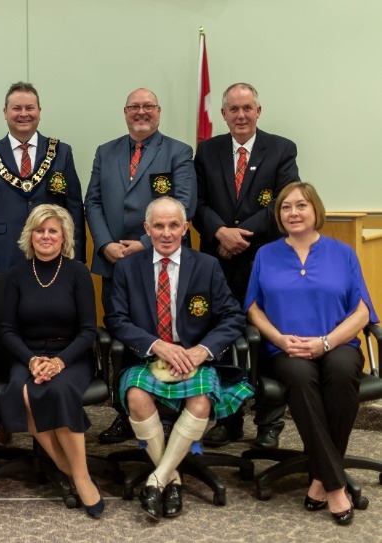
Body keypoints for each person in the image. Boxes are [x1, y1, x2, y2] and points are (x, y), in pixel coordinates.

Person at [106, 197, 252, 523]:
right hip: (148, 357)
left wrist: (201, 351)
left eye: (174, 225)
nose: (167, 233)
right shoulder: (129, 268)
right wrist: (156, 345)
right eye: (158, 225)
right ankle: (171, 480)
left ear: (185, 228)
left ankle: (157, 480)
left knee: (200, 401)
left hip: (194, 358)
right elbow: (116, 319)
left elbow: (232, 318)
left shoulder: (207, 265)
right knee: (135, 396)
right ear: (147, 229)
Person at [244, 181, 377, 526]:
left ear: (315, 209)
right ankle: (335, 486)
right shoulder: (266, 254)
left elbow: (362, 311)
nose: (293, 213)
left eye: (300, 205)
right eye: (286, 207)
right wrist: (280, 338)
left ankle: (320, 477)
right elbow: (254, 308)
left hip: (337, 343)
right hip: (285, 349)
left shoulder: (343, 252)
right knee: (301, 379)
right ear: (279, 215)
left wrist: (326, 342)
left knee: (342, 372)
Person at [0, 81, 85, 448]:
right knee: (6, 336)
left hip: (51, 256)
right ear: (5, 113)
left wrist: (75, 260)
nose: (23, 114)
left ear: (39, 111)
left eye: (30, 107)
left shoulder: (59, 152)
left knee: (51, 328)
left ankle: (49, 412)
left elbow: (74, 206)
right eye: (16, 108)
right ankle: (2, 417)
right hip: (3, 257)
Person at [85, 88, 197, 445]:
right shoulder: (106, 151)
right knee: (123, 337)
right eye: (135, 106)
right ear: (125, 112)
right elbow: (94, 201)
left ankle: (170, 412)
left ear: (159, 111)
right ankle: (126, 412)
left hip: (162, 257)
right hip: (115, 262)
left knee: (170, 334)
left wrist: (145, 243)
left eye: (148, 106)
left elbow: (184, 205)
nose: (141, 112)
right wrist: (105, 244)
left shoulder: (178, 151)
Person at [193, 82, 299, 449]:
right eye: (233, 109)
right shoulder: (207, 151)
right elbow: (197, 204)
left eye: (247, 108)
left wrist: (239, 234)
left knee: (269, 339)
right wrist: (220, 232)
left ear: (258, 110)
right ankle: (229, 419)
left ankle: (269, 424)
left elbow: (286, 203)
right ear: (223, 114)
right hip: (216, 265)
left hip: (265, 262)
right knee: (222, 340)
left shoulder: (282, 149)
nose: (240, 115)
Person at [0, 204, 104, 518]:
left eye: (52, 231)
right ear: (30, 236)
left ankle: (80, 475)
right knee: (26, 392)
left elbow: (88, 331)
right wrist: (32, 360)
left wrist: (59, 363)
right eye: (40, 230)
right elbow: (7, 330)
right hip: (27, 355)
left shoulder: (78, 273)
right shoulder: (17, 275)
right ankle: (70, 469)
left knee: (59, 390)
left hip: (71, 355)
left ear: (64, 237)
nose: (46, 237)